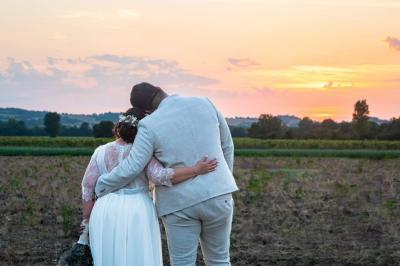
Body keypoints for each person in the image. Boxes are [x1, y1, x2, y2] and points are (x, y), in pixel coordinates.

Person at [95, 82, 239, 266]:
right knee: (219, 260)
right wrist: (222, 184)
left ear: (146, 109)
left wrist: (102, 184)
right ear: (160, 90)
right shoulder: (205, 103)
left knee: (182, 263)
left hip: (179, 204)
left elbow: (133, 166)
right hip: (219, 196)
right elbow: (227, 145)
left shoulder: (148, 125)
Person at [80, 107, 218, 266]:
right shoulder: (142, 152)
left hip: (104, 211)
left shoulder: (100, 151)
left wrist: (86, 220)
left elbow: (87, 186)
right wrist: (196, 169)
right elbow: (160, 176)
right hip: (136, 211)